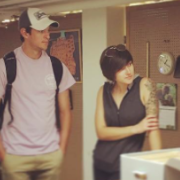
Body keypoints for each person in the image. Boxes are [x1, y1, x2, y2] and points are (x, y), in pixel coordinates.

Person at [0, 8, 75, 180]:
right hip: (15, 156)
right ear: (25, 32)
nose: (47, 35)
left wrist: (61, 150)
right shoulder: (6, 66)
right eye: (41, 31)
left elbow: (65, 112)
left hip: (50, 156)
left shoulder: (57, 67)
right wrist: (3, 154)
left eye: (48, 30)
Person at [93, 44, 162, 180]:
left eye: (129, 64)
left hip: (128, 166)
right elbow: (101, 132)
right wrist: (135, 128)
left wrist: (158, 166)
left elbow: (153, 128)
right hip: (101, 164)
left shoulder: (146, 85)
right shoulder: (103, 91)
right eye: (121, 68)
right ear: (111, 73)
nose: (128, 71)